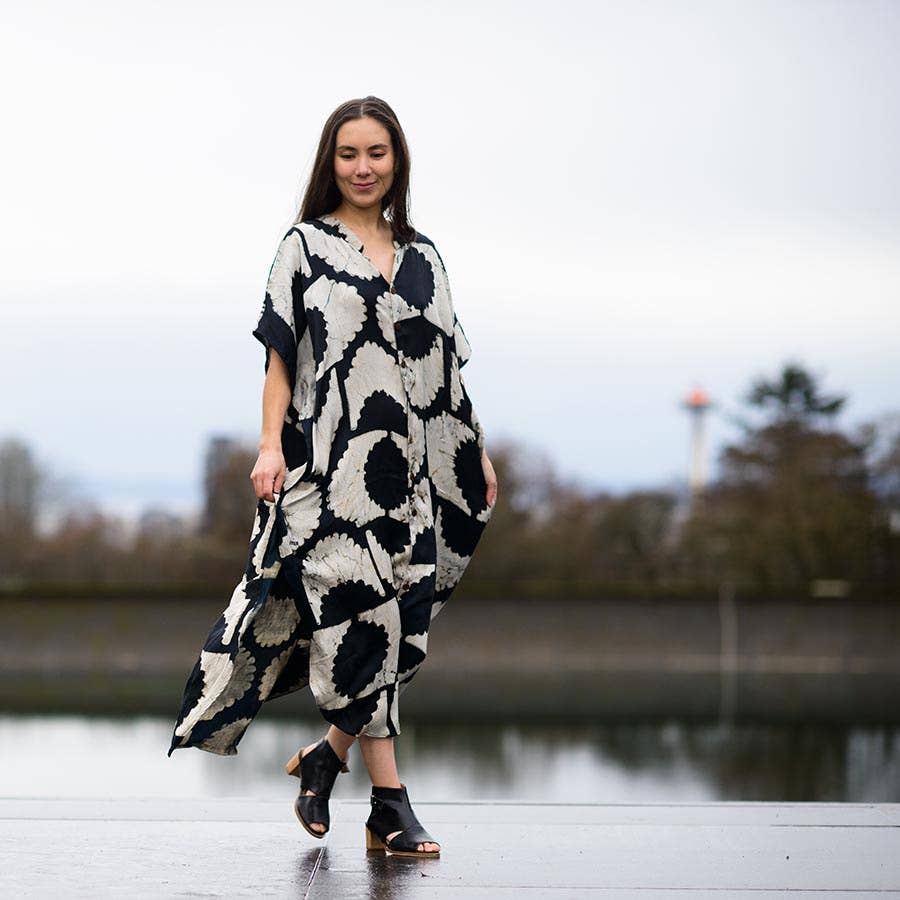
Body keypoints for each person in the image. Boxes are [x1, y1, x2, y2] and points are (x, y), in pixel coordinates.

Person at [167, 96, 497, 858]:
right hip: (336, 474)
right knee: (363, 621)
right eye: (349, 154)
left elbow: (446, 366)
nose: (363, 168)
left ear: (397, 161)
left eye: (377, 153)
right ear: (330, 162)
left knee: (401, 629)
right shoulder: (304, 248)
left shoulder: (425, 257)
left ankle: (329, 758)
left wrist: (472, 448)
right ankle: (389, 801)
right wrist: (267, 445)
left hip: (417, 478)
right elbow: (279, 358)